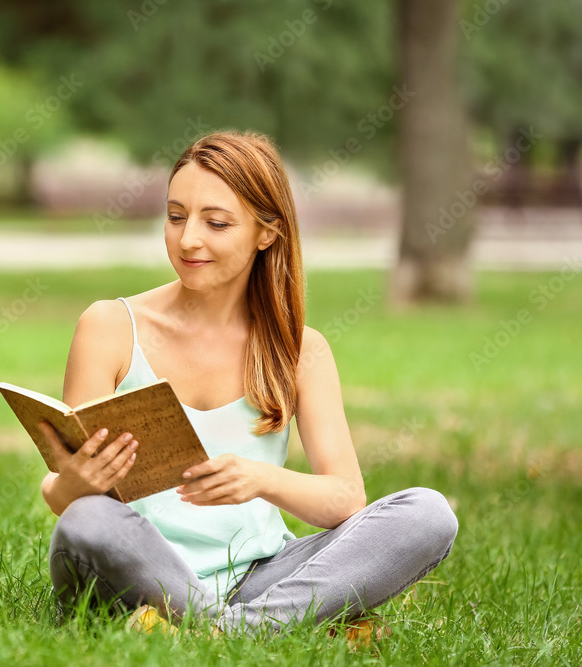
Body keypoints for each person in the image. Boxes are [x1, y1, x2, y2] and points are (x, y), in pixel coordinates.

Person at [35, 130, 458, 638]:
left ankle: (218, 629)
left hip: (257, 576)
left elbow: (345, 500)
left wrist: (260, 479)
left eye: (215, 223)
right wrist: (73, 485)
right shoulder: (109, 327)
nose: (188, 238)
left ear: (267, 232)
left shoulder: (300, 349)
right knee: (85, 523)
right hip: (136, 565)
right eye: (175, 216)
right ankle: (279, 625)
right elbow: (69, 500)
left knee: (427, 514)